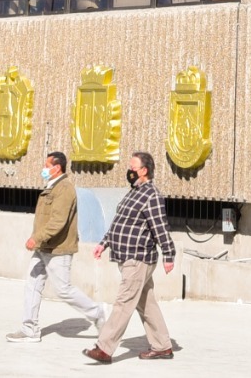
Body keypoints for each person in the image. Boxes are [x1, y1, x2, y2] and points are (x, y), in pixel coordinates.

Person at [87, 150, 176, 363]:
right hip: (126, 256)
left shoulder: (152, 195)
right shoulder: (133, 192)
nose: (129, 171)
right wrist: (104, 243)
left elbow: (160, 226)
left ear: (144, 171)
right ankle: (162, 346)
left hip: (138, 258)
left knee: (123, 302)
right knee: (146, 303)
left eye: (132, 168)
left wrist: (169, 254)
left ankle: (104, 348)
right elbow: (120, 222)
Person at [11, 150, 108, 342]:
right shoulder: (52, 187)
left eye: (47, 166)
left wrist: (36, 238)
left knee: (63, 289)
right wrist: (39, 240)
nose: (44, 169)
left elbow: (58, 221)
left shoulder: (64, 189)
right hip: (44, 247)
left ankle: (97, 312)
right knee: (32, 284)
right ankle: (29, 329)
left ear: (57, 168)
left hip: (58, 248)